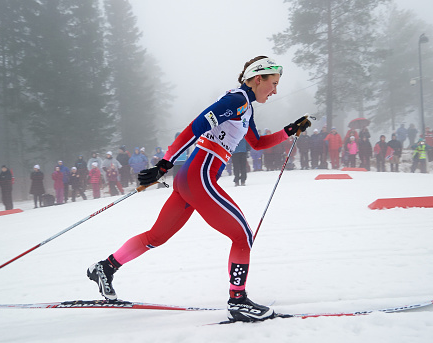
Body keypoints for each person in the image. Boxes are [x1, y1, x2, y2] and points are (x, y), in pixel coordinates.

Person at [86, 56, 311, 323]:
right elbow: (196, 126)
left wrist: (290, 130)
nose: (275, 91)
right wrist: (163, 164)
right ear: (257, 78)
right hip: (199, 177)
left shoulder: (246, 108)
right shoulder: (237, 100)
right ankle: (238, 301)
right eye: (272, 84)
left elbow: (258, 143)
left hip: (189, 180)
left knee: (156, 237)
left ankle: (106, 267)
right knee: (242, 237)